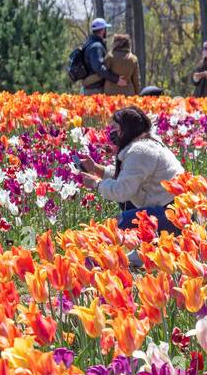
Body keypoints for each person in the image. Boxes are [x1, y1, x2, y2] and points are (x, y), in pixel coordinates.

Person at [78, 106, 185, 264]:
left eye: (114, 128)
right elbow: (129, 176)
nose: (111, 133)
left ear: (126, 129)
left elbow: (122, 191)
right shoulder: (148, 143)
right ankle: (147, 251)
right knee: (125, 214)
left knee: (114, 226)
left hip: (172, 218)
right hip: (175, 212)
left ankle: (94, 261)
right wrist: (95, 169)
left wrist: (96, 184)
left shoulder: (140, 151)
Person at [78, 18, 126, 96]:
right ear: (103, 30)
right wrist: (116, 79)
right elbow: (99, 68)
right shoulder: (96, 46)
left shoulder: (89, 43)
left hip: (89, 86)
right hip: (95, 89)